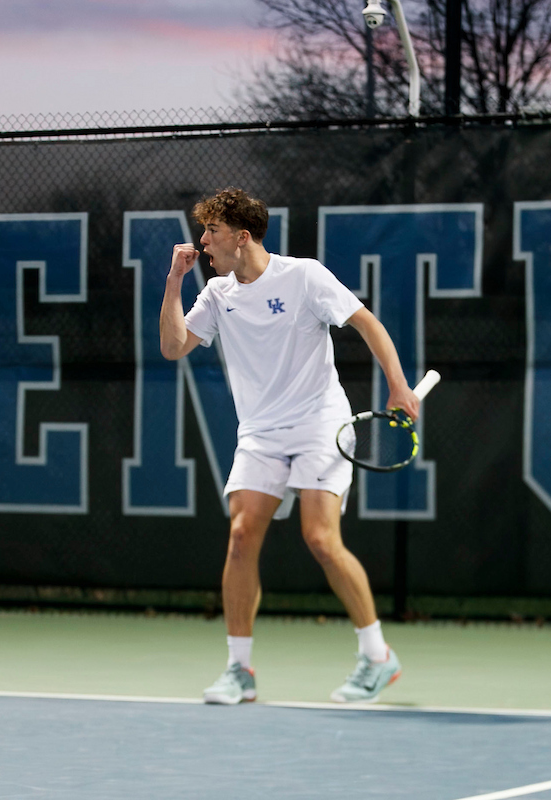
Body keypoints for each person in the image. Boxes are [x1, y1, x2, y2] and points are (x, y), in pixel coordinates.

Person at [160, 187, 419, 705]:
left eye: (212, 231)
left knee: (320, 539)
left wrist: (398, 384)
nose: (203, 242)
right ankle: (239, 671)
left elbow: (365, 322)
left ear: (243, 236)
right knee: (240, 536)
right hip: (259, 432)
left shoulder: (304, 276)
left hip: (319, 423)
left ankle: (376, 656)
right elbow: (173, 348)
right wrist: (174, 283)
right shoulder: (216, 294)